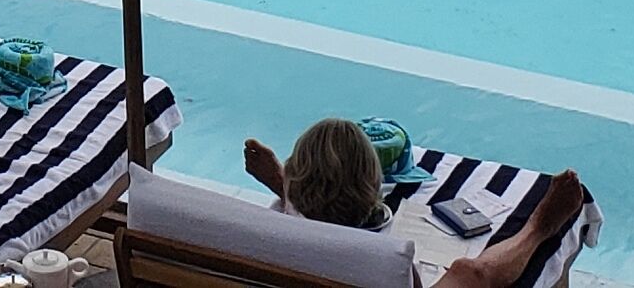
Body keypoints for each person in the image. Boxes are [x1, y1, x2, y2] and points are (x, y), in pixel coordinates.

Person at [240, 119, 591, 288]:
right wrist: (541, 224)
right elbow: (474, 275)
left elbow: (309, 227)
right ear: (374, 187)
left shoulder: (264, 238)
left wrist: (283, 184)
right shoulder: (386, 263)